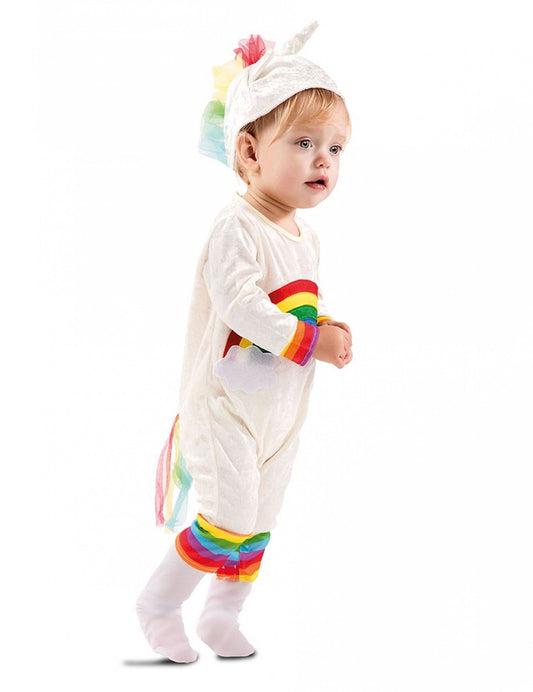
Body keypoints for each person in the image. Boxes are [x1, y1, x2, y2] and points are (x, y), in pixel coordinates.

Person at [136, 22, 353, 663]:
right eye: (305, 142)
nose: (323, 160)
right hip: (225, 404)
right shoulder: (237, 225)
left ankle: (222, 614)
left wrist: (330, 328)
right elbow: (243, 306)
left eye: (336, 148)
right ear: (251, 153)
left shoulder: (304, 236)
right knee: (227, 514)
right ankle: (159, 604)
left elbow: (297, 300)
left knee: (259, 519)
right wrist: (310, 341)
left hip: (278, 410)